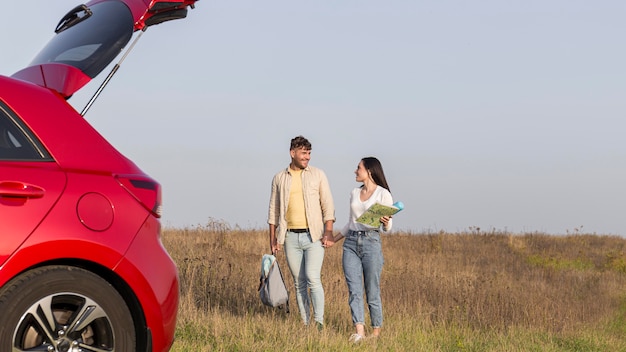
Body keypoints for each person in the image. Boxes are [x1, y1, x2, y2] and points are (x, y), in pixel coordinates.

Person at [267, 135, 335, 329]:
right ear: (293, 153)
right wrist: (273, 239)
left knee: (313, 278)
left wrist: (328, 231)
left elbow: (328, 204)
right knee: (299, 282)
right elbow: (273, 210)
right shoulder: (279, 178)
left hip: (313, 236)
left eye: (309, 153)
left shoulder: (318, 175)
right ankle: (305, 324)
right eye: (304, 153)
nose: (307, 157)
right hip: (289, 237)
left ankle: (319, 322)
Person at [324, 157, 393, 343]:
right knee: (354, 290)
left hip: (371, 242)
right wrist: (334, 240)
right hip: (351, 244)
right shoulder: (354, 193)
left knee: (372, 289)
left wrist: (386, 223)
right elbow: (350, 223)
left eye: (358, 168)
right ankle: (359, 331)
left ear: (369, 171)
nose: (355, 171)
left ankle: (376, 332)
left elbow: (388, 228)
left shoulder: (383, 194)